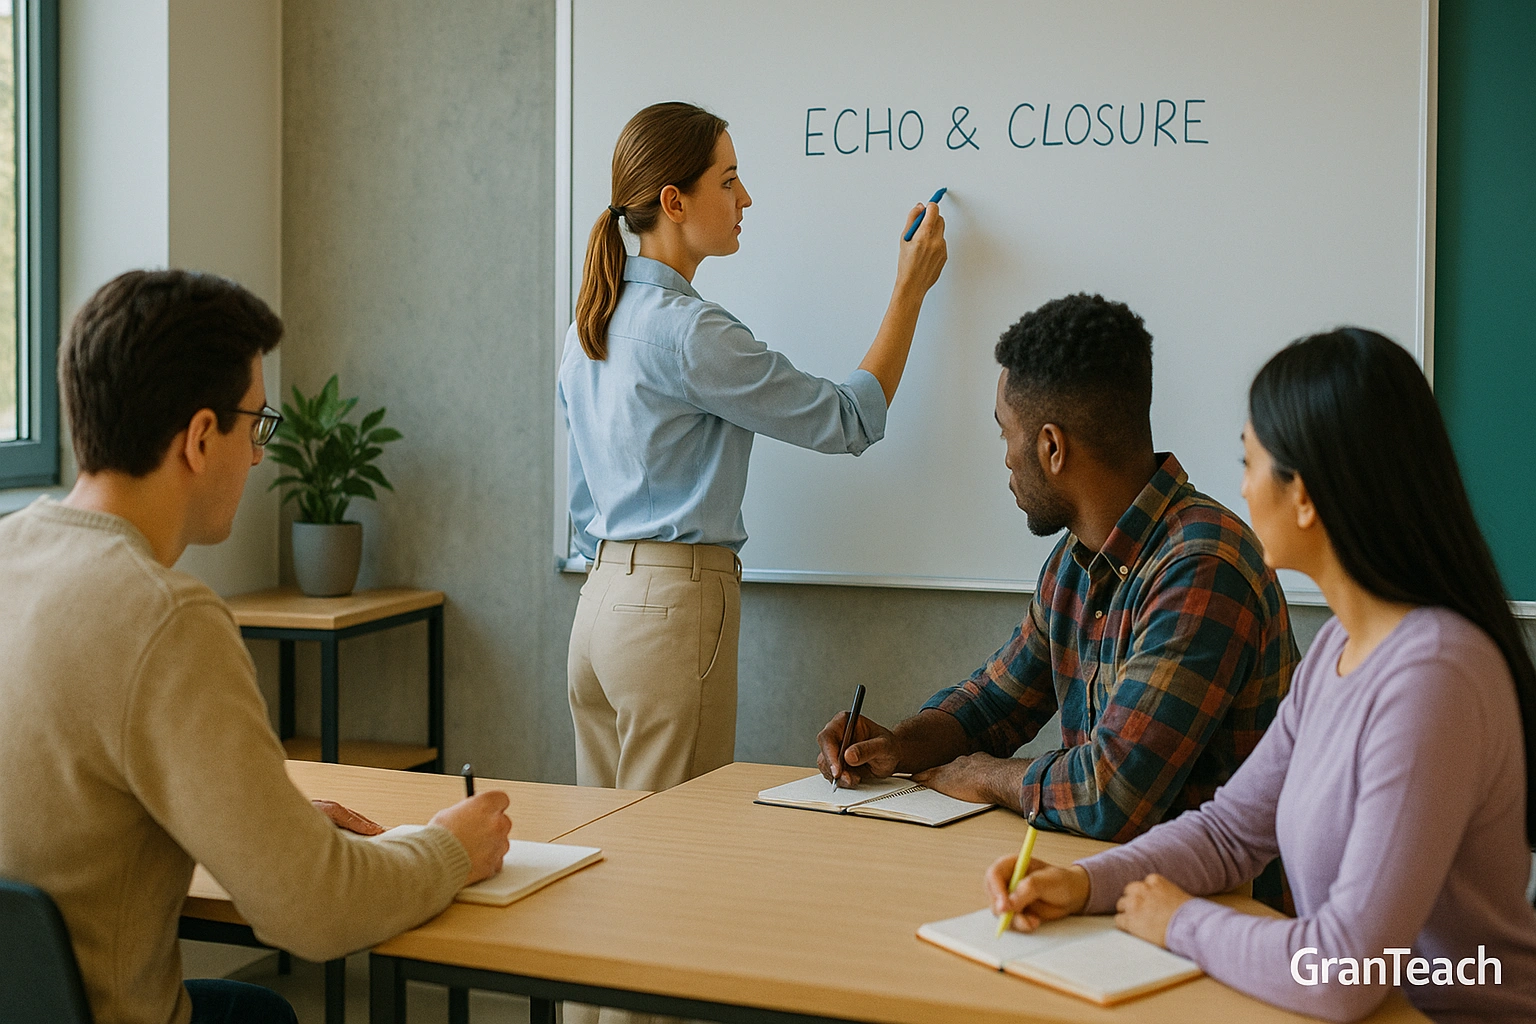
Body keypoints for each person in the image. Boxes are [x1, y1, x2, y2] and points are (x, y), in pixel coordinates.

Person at [0, 270, 513, 1024]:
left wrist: (264, 818)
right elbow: (316, 912)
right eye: (255, 427)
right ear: (201, 437)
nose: (256, 457)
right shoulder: (165, 618)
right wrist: (451, 850)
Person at [986, 329, 1536, 1023]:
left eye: (1250, 463)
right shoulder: (1340, 649)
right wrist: (1082, 883)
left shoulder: (1434, 679)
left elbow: (1344, 971)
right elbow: (1230, 832)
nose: (1241, 488)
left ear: (1302, 496)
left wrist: (1178, 921)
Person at [818, 294, 1297, 853]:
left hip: (1217, 897)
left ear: (1051, 447)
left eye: (1006, 433)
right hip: (1117, 878)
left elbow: (1111, 793)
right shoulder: (1078, 557)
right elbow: (994, 704)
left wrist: (987, 775)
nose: (1006, 458)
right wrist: (898, 746)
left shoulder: (1202, 568)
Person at [561, 101, 947, 793]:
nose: (746, 198)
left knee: (608, 837)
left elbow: (583, 499)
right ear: (674, 202)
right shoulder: (691, 332)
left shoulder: (591, 322)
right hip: (668, 615)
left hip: (598, 608)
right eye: (728, 180)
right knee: (672, 841)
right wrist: (909, 290)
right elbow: (847, 419)